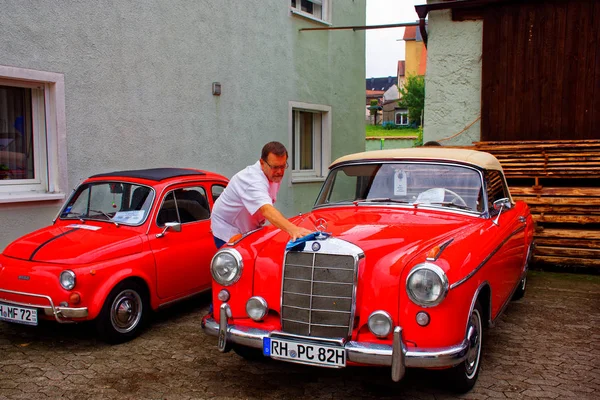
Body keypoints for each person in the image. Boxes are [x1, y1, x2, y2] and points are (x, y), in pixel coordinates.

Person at [211, 141, 313, 249]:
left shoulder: (272, 174)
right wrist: (293, 230)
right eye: (275, 167)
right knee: (240, 262)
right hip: (228, 229)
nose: (279, 171)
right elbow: (266, 210)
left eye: (283, 166)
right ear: (262, 163)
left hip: (249, 226)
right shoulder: (252, 181)